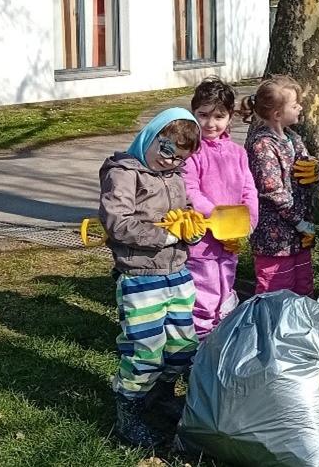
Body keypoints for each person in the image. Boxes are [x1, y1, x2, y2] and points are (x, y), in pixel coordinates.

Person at [99, 108, 202, 448]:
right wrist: (168, 236)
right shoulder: (124, 172)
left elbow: (185, 211)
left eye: (180, 158)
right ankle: (129, 409)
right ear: (151, 135)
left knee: (182, 347)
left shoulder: (174, 175)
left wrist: (192, 229)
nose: (171, 162)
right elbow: (117, 222)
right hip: (141, 277)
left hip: (177, 273)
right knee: (145, 349)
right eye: (167, 150)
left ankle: (161, 393)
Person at [183, 77, 258, 338]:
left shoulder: (238, 152)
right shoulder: (191, 151)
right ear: (193, 114)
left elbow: (249, 189)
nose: (210, 123)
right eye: (203, 115)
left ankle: (222, 339)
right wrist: (218, 218)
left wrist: (247, 223)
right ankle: (201, 346)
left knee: (226, 290)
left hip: (230, 241)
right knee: (204, 294)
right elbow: (189, 190)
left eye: (218, 116)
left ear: (230, 117)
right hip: (202, 242)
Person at [242, 75, 319, 296]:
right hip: (274, 237)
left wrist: (318, 171)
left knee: (303, 286)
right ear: (277, 114)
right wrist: (299, 221)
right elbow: (272, 190)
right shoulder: (262, 145)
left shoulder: (293, 137)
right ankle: (271, 330)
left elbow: (308, 164)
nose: (300, 108)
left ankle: (298, 328)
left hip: (298, 236)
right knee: (275, 291)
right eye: (295, 105)